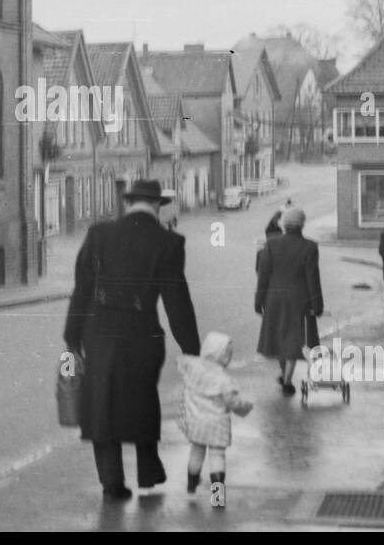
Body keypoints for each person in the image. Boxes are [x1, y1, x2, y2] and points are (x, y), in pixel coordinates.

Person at [64, 178, 201, 502]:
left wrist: (72, 339)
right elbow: (176, 300)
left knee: (102, 403)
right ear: (157, 206)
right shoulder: (169, 242)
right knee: (142, 399)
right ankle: (148, 472)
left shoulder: (99, 234)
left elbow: (81, 289)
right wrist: (191, 349)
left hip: (98, 332)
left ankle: (112, 483)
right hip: (142, 333)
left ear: (128, 204)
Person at [254, 206, 323, 396]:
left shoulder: (271, 244)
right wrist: (317, 304)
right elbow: (312, 278)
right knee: (293, 338)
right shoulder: (310, 247)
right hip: (298, 299)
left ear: (285, 225)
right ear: (302, 225)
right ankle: (286, 380)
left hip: (274, 298)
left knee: (279, 336)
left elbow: (263, 275)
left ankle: (284, 374)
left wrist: (258, 300)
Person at [177, 331, 253, 495]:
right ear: (222, 355)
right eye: (228, 353)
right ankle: (217, 497)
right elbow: (233, 402)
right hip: (217, 424)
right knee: (217, 456)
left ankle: (191, 487)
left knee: (196, 452)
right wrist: (246, 406)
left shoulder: (192, 369)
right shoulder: (223, 380)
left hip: (196, 421)